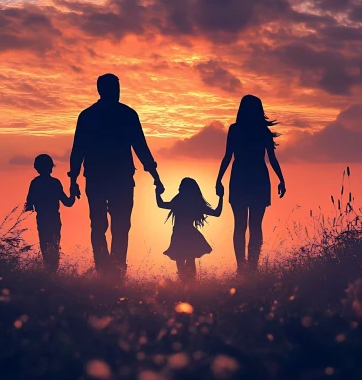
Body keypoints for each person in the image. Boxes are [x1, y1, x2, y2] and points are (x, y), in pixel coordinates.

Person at [69, 73, 164, 275]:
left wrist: (74, 179)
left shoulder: (87, 115)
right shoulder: (127, 114)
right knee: (118, 225)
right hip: (118, 178)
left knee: (101, 224)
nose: (118, 92)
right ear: (108, 90)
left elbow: (78, 149)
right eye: (116, 88)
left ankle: (106, 268)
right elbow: (141, 147)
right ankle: (115, 269)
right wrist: (155, 176)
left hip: (98, 177)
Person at [216, 95, 286, 274]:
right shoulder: (261, 130)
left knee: (241, 225)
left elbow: (227, 156)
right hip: (257, 178)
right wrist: (281, 179)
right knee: (254, 225)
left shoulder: (236, 129)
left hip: (240, 177)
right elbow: (271, 158)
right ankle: (250, 268)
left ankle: (243, 267)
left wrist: (219, 179)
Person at [156, 177, 224, 283]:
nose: (178, 189)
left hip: (179, 234)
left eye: (180, 186)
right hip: (190, 233)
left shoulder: (178, 201)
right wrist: (221, 197)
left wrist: (157, 192)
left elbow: (161, 204)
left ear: (184, 189)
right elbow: (217, 212)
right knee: (190, 259)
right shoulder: (195, 203)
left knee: (180, 260)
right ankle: (191, 284)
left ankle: (185, 284)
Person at [24, 154, 76, 273]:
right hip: (54, 218)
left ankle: (49, 271)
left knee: (45, 244)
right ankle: (53, 271)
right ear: (51, 167)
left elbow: (28, 204)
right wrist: (73, 193)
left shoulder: (35, 183)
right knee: (55, 245)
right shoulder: (55, 183)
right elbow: (68, 203)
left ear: (36, 168)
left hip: (42, 218)